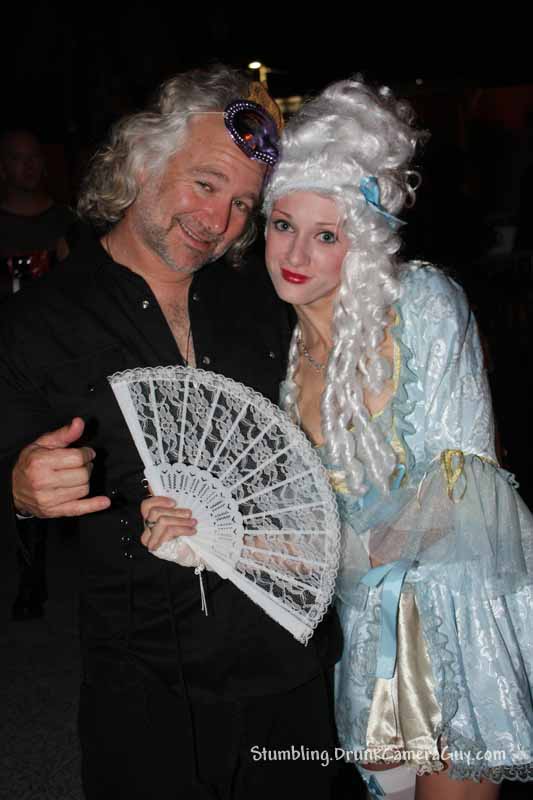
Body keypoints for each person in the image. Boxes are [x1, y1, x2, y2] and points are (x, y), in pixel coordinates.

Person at [0, 66, 342, 800]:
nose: (219, 221)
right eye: (205, 184)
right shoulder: (39, 320)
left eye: (243, 204)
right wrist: (19, 485)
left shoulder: (268, 298)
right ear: (141, 164)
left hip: (285, 652)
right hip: (145, 669)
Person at [257, 77, 532, 798]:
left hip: (453, 625)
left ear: (364, 241)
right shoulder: (284, 359)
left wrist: (335, 551)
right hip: (363, 639)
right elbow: (308, 526)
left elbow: (466, 486)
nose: (296, 252)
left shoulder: (422, 303)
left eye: (326, 235)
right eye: (283, 224)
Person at [0, 128, 77, 620]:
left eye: (34, 158)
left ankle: (44, 569)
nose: (27, 166)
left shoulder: (63, 221)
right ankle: (30, 575)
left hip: (56, 355)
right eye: (17, 158)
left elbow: (82, 285)